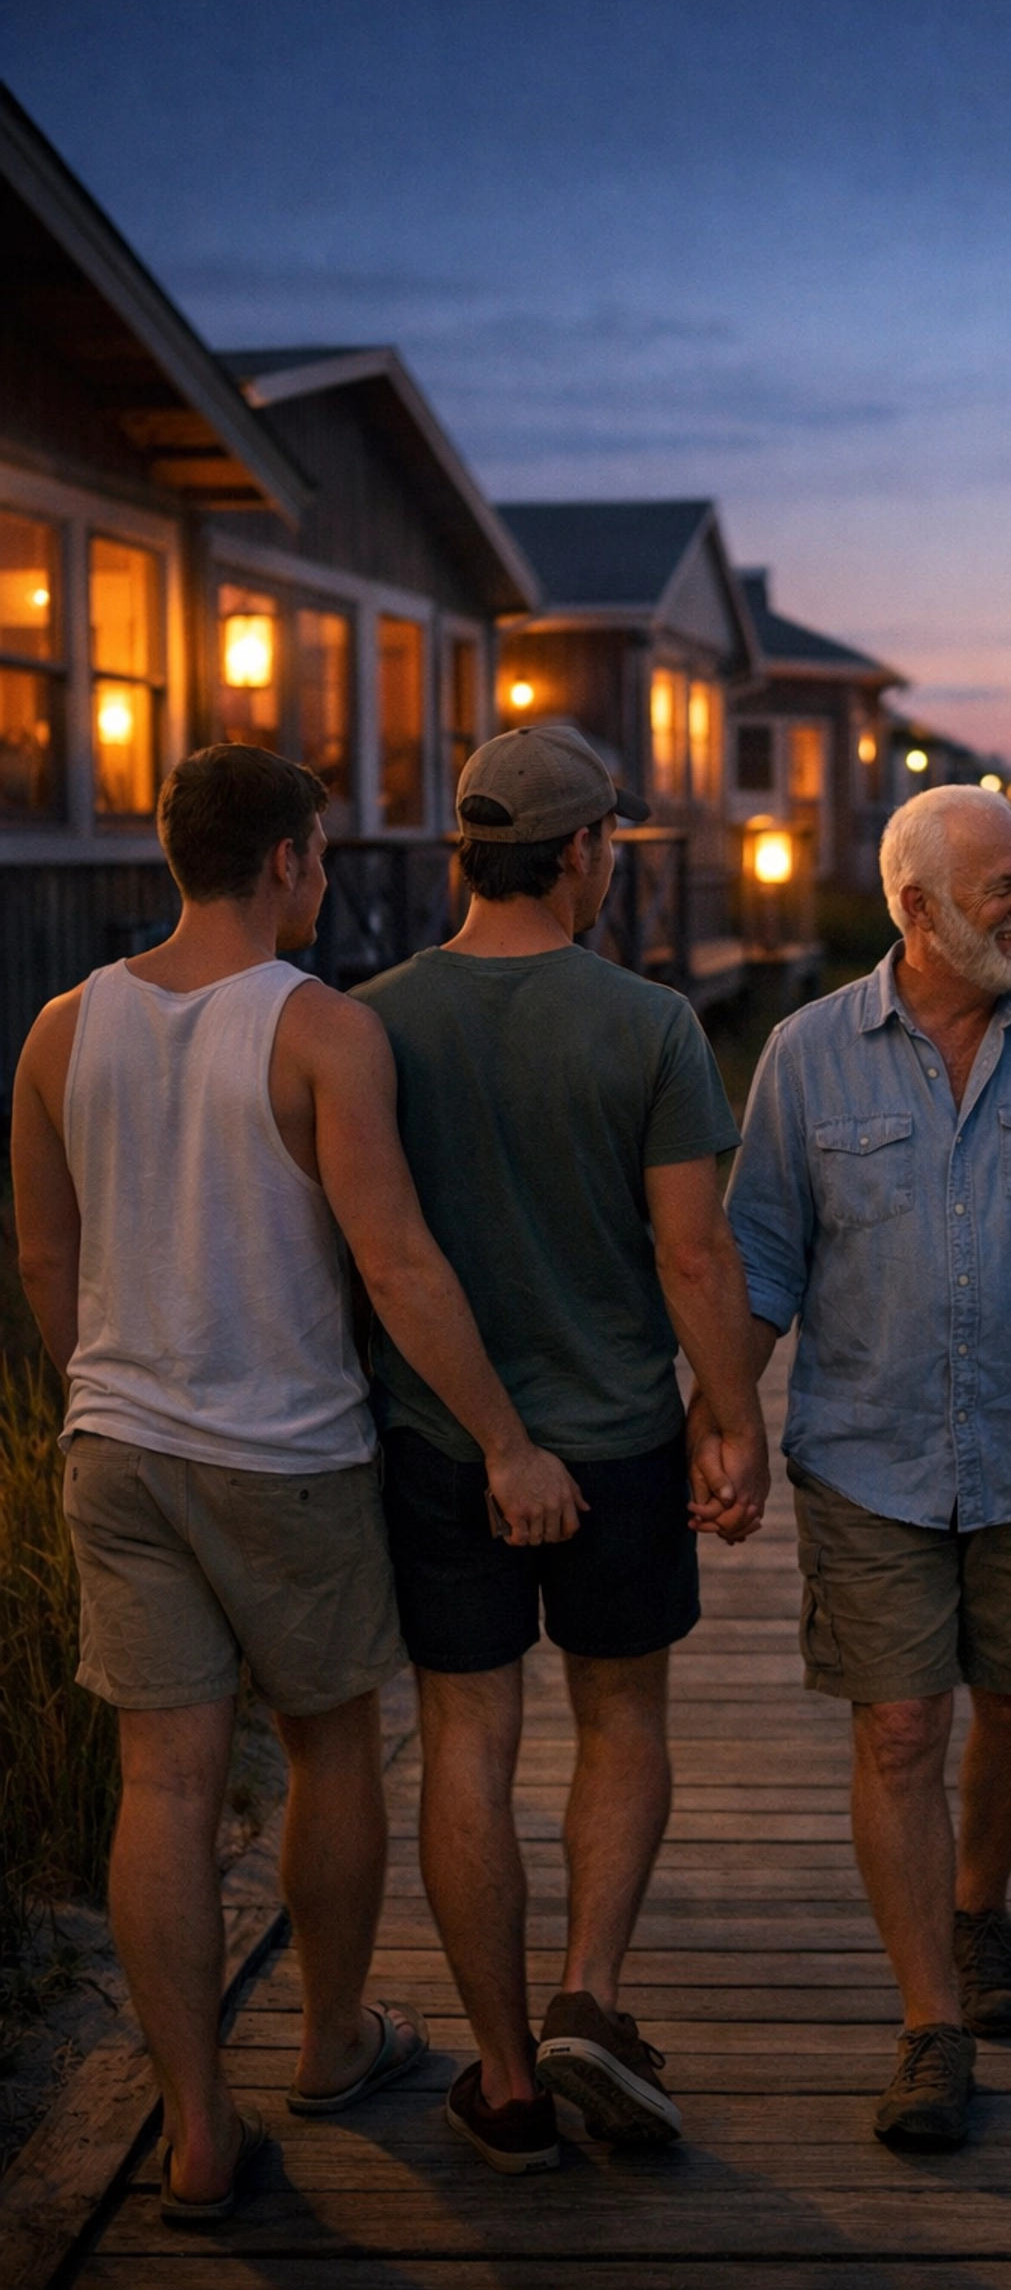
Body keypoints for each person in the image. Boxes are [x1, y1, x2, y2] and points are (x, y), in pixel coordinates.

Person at [10, 743, 581, 2223]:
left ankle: (198, 2127)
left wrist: (106, 1384)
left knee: (165, 1781)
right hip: (289, 1455)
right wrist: (508, 1442)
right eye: (321, 856)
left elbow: (47, 1255)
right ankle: (332, 2044)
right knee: (330, 1753)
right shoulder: (322, 1031)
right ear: (284, 861)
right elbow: (394, 1262)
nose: (324, 879)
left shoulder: (63, 1030)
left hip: (117, 1450)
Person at [697, 784, 1011, 2150]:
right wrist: (723, 1417)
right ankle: (930, 2024)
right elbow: (765, 1261)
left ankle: (977, 1906)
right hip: (868, 1454)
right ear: (915, 909)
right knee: (900, 1728)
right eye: (1002, 887)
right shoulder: (804, 1053)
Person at [356, 722, 770, 2173]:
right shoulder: (646, 1024)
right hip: (614, 1443)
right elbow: (693, 1255)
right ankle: (591, 1991)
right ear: (585, 850)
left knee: (467, 1737)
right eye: (611, 846)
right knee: (623, 1716)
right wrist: (734, 1415)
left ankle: (511, 2077)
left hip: (440, 1439)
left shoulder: (370, 1020)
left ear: (471, 855)